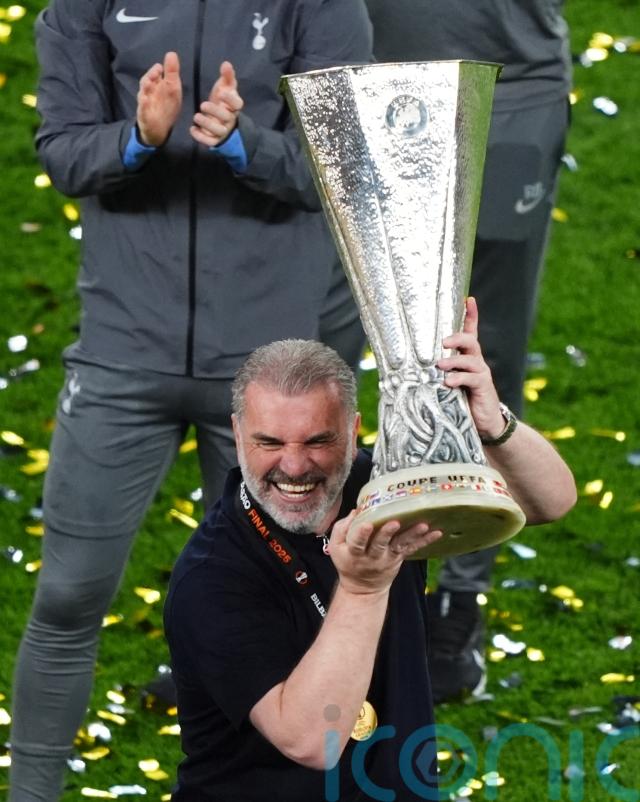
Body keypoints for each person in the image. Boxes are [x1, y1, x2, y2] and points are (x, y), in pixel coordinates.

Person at [9, 2, 373, 799]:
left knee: (281, 607)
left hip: (269, 380)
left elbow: (345, 165)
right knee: (67, 595)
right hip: (120, 353)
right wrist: (138, 137)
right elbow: (64, 152)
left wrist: (243, 143)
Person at [164, 300, 576, 800]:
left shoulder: (382, 486)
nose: (293, 466)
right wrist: (363, 589)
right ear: (236, 434)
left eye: (318, 441)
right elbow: (312, 741)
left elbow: (549, 501)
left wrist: (493, 424)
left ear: (354, 429)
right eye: (269, 442)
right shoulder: (212, 576)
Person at [364, 0, 573, 702]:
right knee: (340, 336)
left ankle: (459, 590)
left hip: (511, 93)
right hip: (365, 86)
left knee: (484, 353)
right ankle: (316, 566)